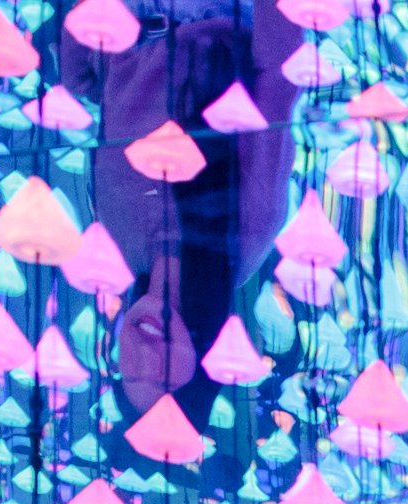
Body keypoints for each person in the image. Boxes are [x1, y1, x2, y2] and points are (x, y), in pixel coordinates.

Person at [65, 0, 303, 436]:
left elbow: (115, 97)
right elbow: (278, 75)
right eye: (165, 379)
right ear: (204, 361)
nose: (145, 357)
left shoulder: (117, 242)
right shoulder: (249, 229)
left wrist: (82, 49)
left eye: (131, 374)